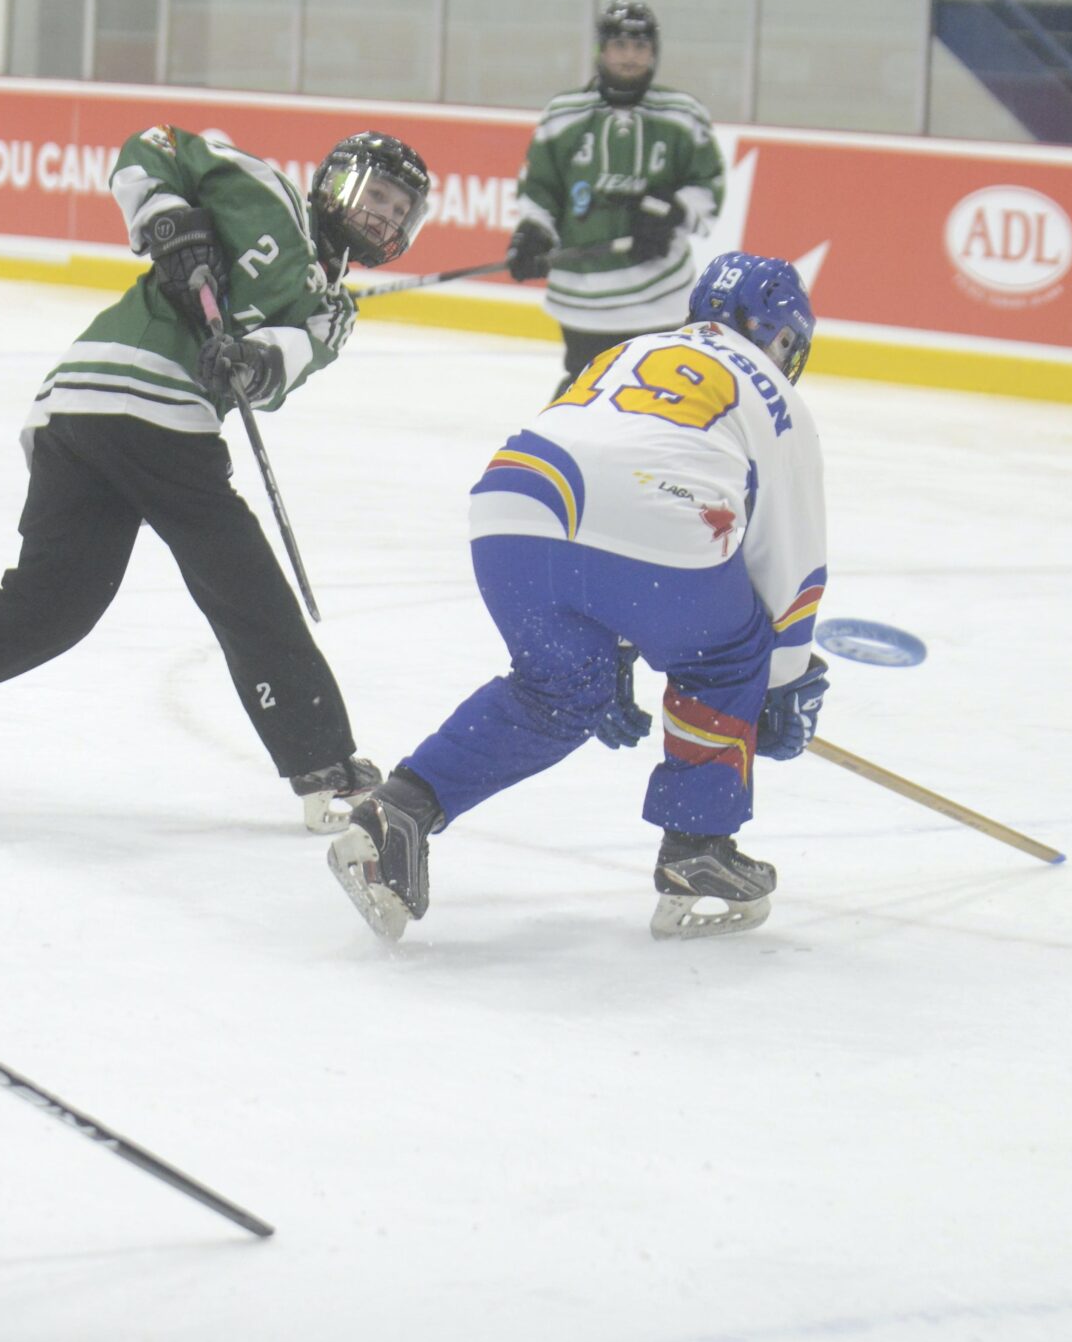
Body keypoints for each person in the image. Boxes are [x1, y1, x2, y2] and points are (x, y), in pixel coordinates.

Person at [0, 128, 432, 835]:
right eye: (376, 196)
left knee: (47, 610)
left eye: (398, 211)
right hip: (138, 407)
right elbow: (152, 146)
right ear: (336, 181)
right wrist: (166, 219)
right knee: (245, 585)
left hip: (81, 417)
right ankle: (325, 768)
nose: (383, 216)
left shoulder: (332, 306)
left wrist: (255, 362)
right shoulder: (261, 188)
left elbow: (290, 358)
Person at [329, 252, 829, 943]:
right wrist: (779, 685)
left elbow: (602, 480)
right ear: (776, 333)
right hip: (657, 517)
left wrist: (617, 650)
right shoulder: (778, 398)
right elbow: (791, 571)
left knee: (558, 691)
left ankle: (401, 812)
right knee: (729, 654)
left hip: (515, 505)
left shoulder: (629, 351)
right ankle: (697, 849)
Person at [504, 1, 728, 395]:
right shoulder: (563, 114)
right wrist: (533, 232)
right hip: (582, 299)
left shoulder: (682, 114)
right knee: (585, 396)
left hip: (661, 293)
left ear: (654, 53)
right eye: (620, 46)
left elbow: (708, 184)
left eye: (640, 47)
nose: (630, 56)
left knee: (658, 402)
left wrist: (674, 212)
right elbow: (540, 187)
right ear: (601, 51)